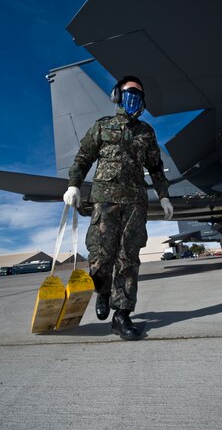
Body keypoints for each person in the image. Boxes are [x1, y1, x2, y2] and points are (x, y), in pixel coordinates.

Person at [63, 75, 173, 340]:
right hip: (105, 201)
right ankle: (102, 291)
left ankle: (121, 315)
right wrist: (74, 185)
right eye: (129, 90)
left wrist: (164, 196)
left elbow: (156, 167)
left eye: (139, 92)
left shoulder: (146, 132)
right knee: (101, 257)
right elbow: (83, 157)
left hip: (135, 203)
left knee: (128, 259)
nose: (135, 95)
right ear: (117, 95)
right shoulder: (102, 127)